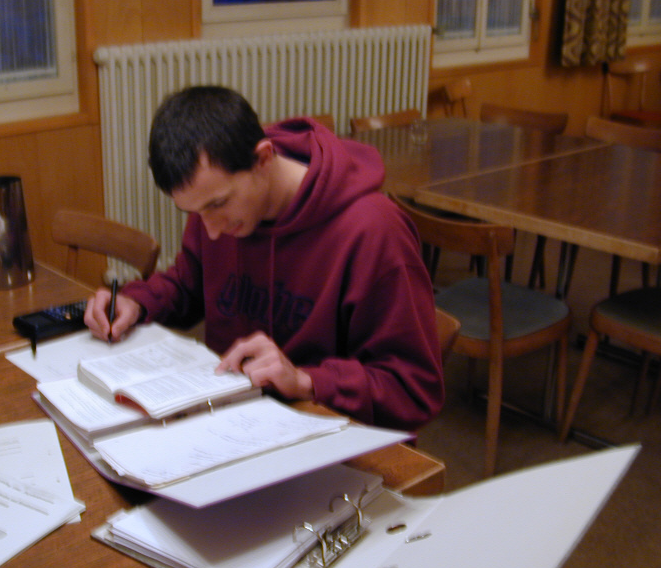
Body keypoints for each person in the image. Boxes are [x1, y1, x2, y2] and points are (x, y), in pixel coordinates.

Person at [85, 85, 443, 431]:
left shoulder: (373, 231)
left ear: (263, 159)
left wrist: (305, 381)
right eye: (193, 212)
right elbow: (189, 283)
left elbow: (414, 388)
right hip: (237, 423)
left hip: (335, 433)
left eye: (218, 204)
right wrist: (137, 302)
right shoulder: (218, 210)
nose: (211, 230)